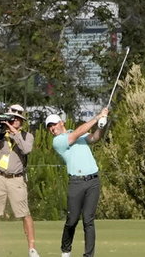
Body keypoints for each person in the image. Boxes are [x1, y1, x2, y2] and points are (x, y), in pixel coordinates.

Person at [46, 108, 108, 257]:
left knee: (88, 220)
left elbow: (94, 138)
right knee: (72, 220)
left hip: (93, 180)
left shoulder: (76, 133)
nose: (52, 129)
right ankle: (66, 251)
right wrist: (96, 117)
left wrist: (101, 124)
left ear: (62, 122)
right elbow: (77, 133)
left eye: (53, 124)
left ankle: (89, 255)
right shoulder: (59, 141)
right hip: (76, 182)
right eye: (49, 127)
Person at [0, 104, 39, 257]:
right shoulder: (0, 135)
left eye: (17, 119)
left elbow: (26, 149)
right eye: (11, 119)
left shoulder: (27, 136)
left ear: (21, 121)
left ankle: (32, 249)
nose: (13, 121)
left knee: (24, 213)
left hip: (16, 179)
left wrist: (14, 133)